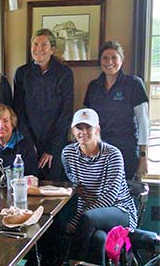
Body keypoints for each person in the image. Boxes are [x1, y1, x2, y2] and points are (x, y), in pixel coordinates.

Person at [62, 108, 137, 264]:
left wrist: (77, 220)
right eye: (79, 128)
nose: (83, 132)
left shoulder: (113, 154)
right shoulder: (68, 154)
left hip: (119, 210)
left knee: (87, 219)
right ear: (73, 130)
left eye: (88, 127)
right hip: (88, 215)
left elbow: (110, 196)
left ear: (97, 129)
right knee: (99, 238)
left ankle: (72, 262)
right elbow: (75, 183)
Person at [13, 28, 74, 181]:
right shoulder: (22, 73)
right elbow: (18, 111)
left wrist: (51, 149)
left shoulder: (64, 73)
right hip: (27, 143)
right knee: (27, 189)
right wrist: (29, 144)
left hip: (55, 144)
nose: (38, 49)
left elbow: (66, 113)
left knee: (54, 190)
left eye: (44, 45)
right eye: (35, 44)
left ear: (52, 49)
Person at [84, 41, 149, 180]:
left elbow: (143, 123)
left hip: (126, 150)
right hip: (99, 151)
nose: (109, 62)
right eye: (105, 58)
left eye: (114, 57)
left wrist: (143, 157)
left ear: (122, 60)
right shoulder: (93, 86)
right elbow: (87, 122)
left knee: (123, 195)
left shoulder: (134, 84)